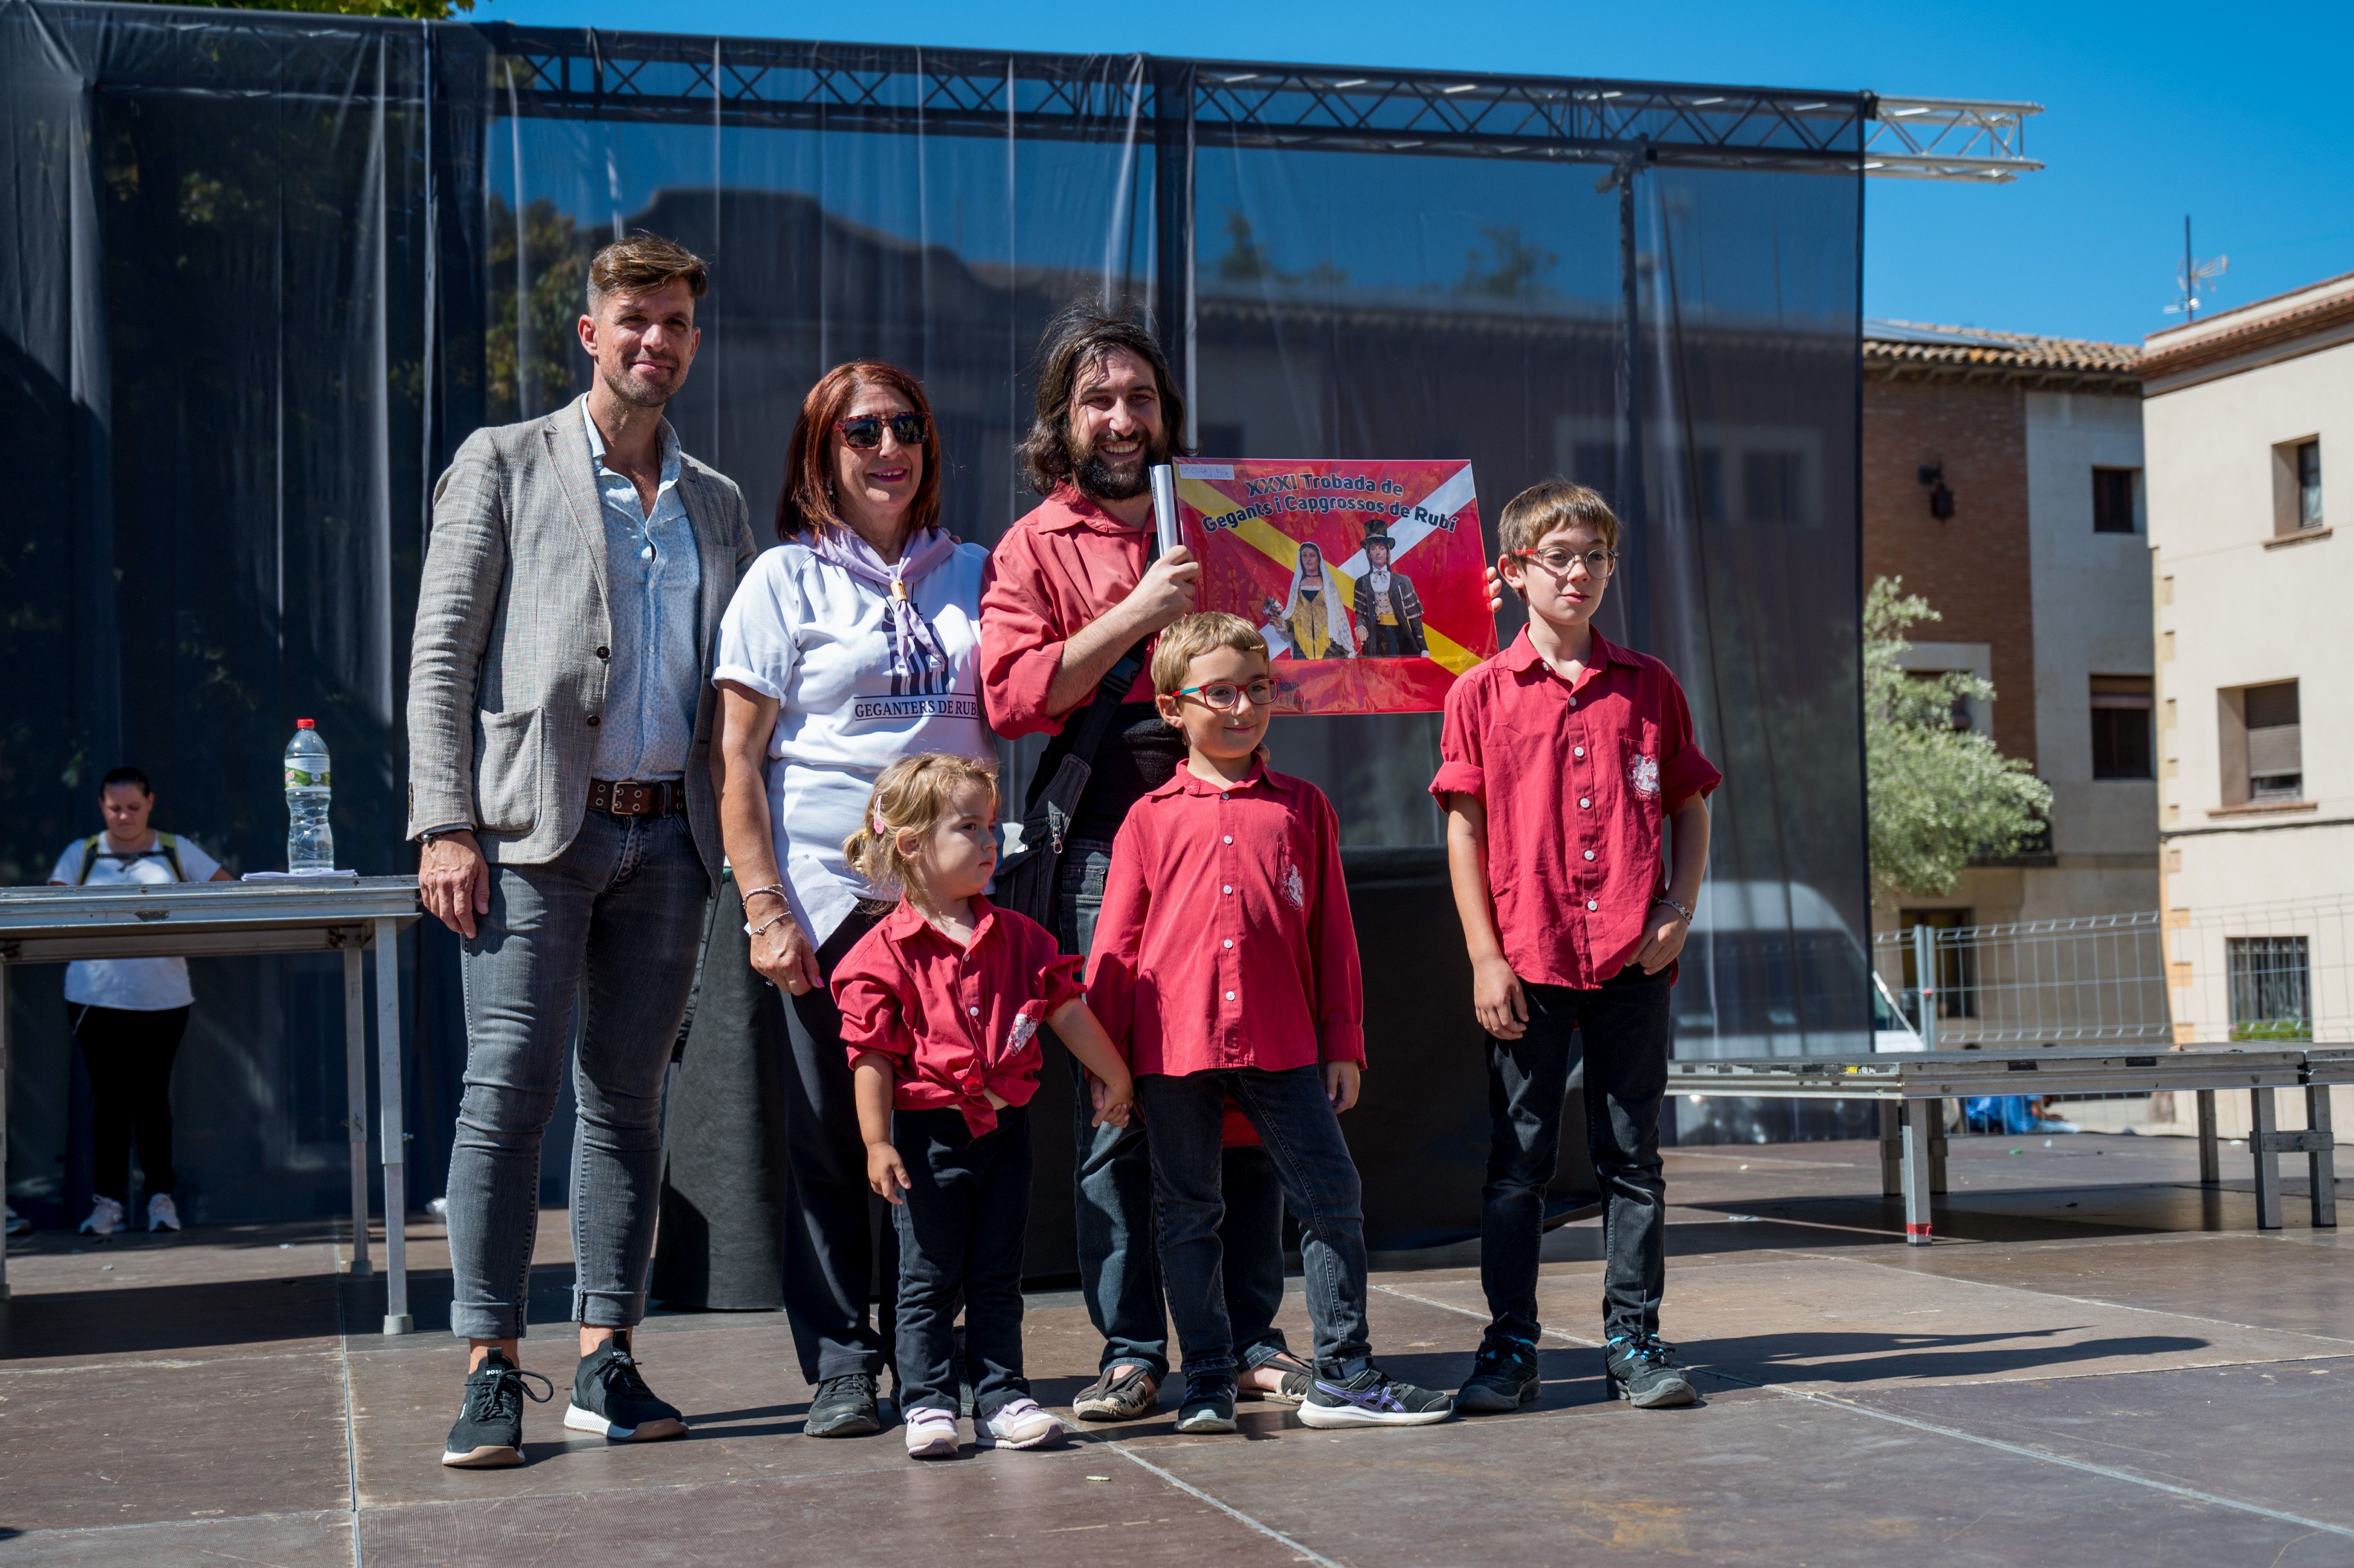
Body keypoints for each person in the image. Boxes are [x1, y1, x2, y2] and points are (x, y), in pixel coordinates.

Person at [409, 232, 758, 1468]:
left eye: (673, 323)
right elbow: (443, 649)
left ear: (691, 343)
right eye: (633, 320)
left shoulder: (714, 498)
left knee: (626, 1101)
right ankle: (491, 1367)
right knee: (505, 1088)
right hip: (530, 831)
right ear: (590, 333)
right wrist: (444, 820)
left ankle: (608, 1352)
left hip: (664, 835)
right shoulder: (504, 460)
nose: (652, 341)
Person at [711, 361, 993, 1440]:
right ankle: (841, 1361)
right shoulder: (781, 579)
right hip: (833, 909)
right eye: (861, 430)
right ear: (820, 453)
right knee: (834, 1142)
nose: (888, 448)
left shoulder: (976, 567)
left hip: (961, 912)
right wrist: (765, 906)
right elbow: (737, 761)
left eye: (907, 426)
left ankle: (949, 1355)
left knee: (958, 1144)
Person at [1087, 610, 1454, 1433]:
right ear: (1173, 708)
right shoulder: (1149, 818)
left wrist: (1344, 1040)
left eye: (1260, 690)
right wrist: (1108, 1068)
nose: (1245, 708)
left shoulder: (1303, 807)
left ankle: (1346, 1374)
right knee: (1188, 1211)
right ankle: (1209, 1379)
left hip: (1283, 1044)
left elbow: (1333, 935)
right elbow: (1115, 945)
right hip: (1172, 1050)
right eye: (1221, 693)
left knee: (1331, 1197)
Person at [1432, 480, 1718, 1413]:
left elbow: (1689, 805)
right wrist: (1484, 955)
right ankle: (1510, 1346)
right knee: (1517, 1160)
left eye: (1596, 556)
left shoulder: (1649, 686)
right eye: (1560, 556)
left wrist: (1676, 906)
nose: (1581, 573)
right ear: (1515, 572)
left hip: (1633, 959)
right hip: (1529, 959)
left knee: (1631, 1157)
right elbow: (1464, 829)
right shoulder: (1479, 693)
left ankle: (1633, 1340)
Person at [977, 304, 1202, 1421]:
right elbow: (1015, 697)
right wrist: (1140, 611)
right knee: (1115, 1100)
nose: (1122, 418)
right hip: (1106, 838)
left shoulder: (1223, 517)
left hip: (1224, 825)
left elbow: (1327, 655)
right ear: (1063, 421)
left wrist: (1447, 608)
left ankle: (1241, 1331)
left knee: (1235, 1085)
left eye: (1140, 399)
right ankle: (1129, 1346)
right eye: (1098, 399)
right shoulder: (1035, 543)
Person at [831, 753, 1140, 1459]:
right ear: (911, 845)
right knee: (929, 1275)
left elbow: (1067, 1012)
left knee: (999, 1271)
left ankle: (1002, 1395)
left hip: (1004, 1132)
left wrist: (1116, 1077)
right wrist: (878, 1142)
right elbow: (870, 1057)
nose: (990, 842)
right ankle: (928, 1401)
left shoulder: (1023, 939)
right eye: (969, 828)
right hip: (927, 1139)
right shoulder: (884, 953)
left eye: (991, 827)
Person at [48, 766, 232, 1236]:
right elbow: (50, 911)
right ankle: (107, 1203)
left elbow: (228, 891)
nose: (125, 816)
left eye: (133, 807)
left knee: (152, 1098)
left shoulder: (175, 849)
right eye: (115, 808)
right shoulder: (82, 854)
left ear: (150, 803)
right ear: (100, 807)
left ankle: (160, 1200)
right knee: (107, 1099)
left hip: (163, 996)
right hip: (95, 997)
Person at [1262, 541, 1355, 660]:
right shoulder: (1297, 588)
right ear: (1300, 559)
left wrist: (1346, 646)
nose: (1308, 559)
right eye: (1304, 556)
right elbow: (1294, 619)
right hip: (1302, 646)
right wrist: (1282, 624)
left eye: (1312, 555)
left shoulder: (1328, 586)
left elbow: (1338, 617)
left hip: (1329, 646)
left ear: (1319, 559)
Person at [1352, 525, 1427, 658]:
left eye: (1381, 548)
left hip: (1400, 638)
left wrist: (1423, 648)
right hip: (1375, 641)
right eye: (1373, 549)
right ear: (1369, 554)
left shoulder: (1403, 582)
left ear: (1387, 552)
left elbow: (1415, 619)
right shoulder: (1362, 582)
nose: (1378, 552)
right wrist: (1361, 627)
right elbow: (1361, 615)